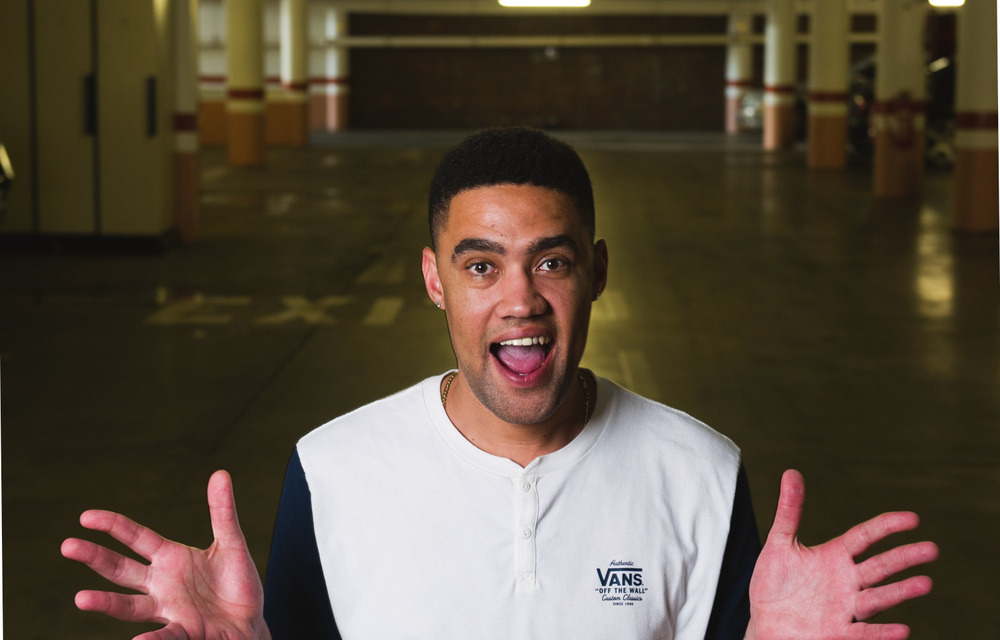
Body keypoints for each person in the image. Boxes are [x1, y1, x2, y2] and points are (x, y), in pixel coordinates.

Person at [62, 127, 938, 640]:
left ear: (595, 271)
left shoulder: (701, 472)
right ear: (435, 279)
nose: (520, 300)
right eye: (481, 266)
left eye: (550, 261)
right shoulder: (332, 469)